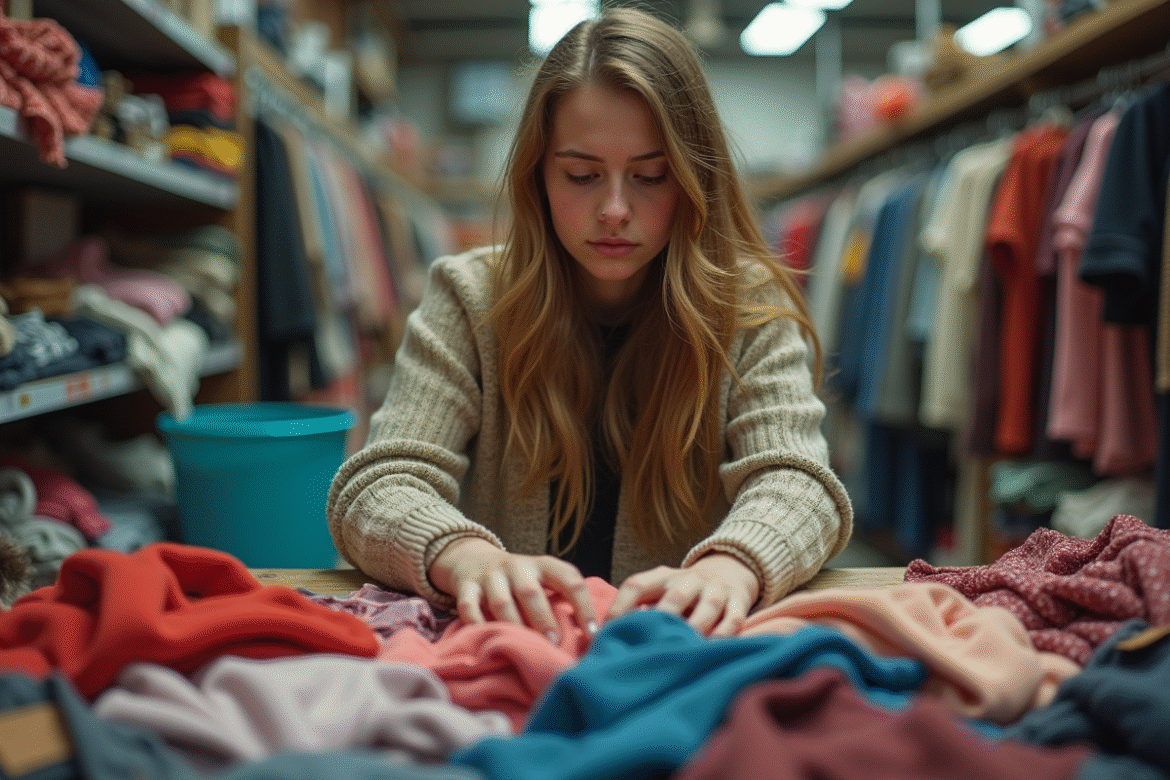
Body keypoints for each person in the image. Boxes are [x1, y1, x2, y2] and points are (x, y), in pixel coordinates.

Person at [325, 6, 852, 641]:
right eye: (581, 175)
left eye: (651, 176)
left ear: (693, 180)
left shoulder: (747, 307)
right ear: (537, 175)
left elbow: (799, 482)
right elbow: (376, 486)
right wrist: (466, 557)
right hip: (509, 655)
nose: (614, 210)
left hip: (676, 661)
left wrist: (734, 563)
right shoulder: (469, 298)